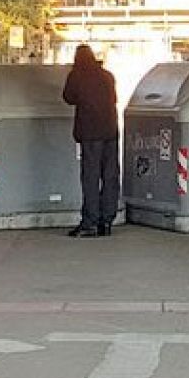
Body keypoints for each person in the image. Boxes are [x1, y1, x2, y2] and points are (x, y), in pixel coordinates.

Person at [62, 45, 119, 238]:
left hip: (90, 133)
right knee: (110, 176)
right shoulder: (108, 76)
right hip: (111, 131)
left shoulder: (77, 76)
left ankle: (90, 222)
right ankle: (107, 221)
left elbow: (68, 97)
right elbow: (114, 99)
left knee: (90, 178)